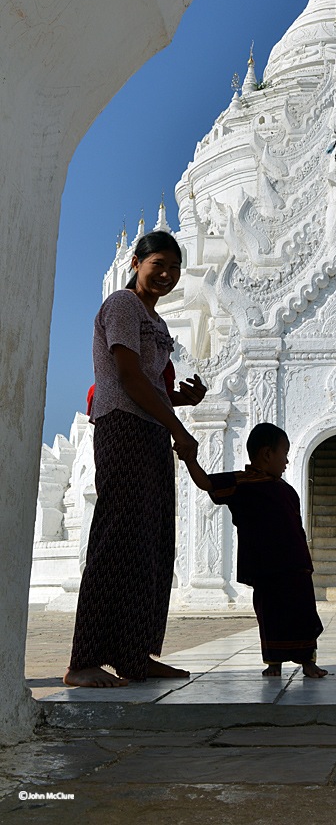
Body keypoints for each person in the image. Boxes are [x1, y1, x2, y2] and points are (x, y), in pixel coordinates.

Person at [64, 231, 206, 688]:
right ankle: (83, 660)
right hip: (122, 426)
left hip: (150, 429)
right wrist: (178, 428)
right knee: (117, 537)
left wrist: (180, 401)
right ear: (135, 261)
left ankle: (134, 654)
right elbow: (126, 375)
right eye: (158, 264)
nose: (166, 275)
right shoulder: (123, 306)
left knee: (152, 541)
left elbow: (151, 383)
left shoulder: (157, 322)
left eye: (173, 268)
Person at [179, 422, 328, 678]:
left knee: (303, 614)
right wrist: (190, 460)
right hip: (266, 566)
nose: (287, 461)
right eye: (284, 453)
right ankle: (274, 663)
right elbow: (206, 483)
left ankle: (308, 663)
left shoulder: (288, 491)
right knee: (270, 614)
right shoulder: (241, 483)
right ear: (267, 454)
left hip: (295, 565)